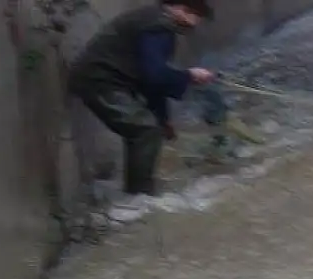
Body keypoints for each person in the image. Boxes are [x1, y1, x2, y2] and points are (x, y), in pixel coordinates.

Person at [68, 0, 220, 198]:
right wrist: (189, 76)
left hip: (111, 79)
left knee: (149, 128)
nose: (195, 24)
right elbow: (155, 75)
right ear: (182, 9)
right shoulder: (158, 27)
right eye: (196, 16)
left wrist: (163, 119)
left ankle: (138, 193)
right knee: (145, 130)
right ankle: (139, 200)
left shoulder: (156, 21)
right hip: (99, 80)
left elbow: (152, 81)